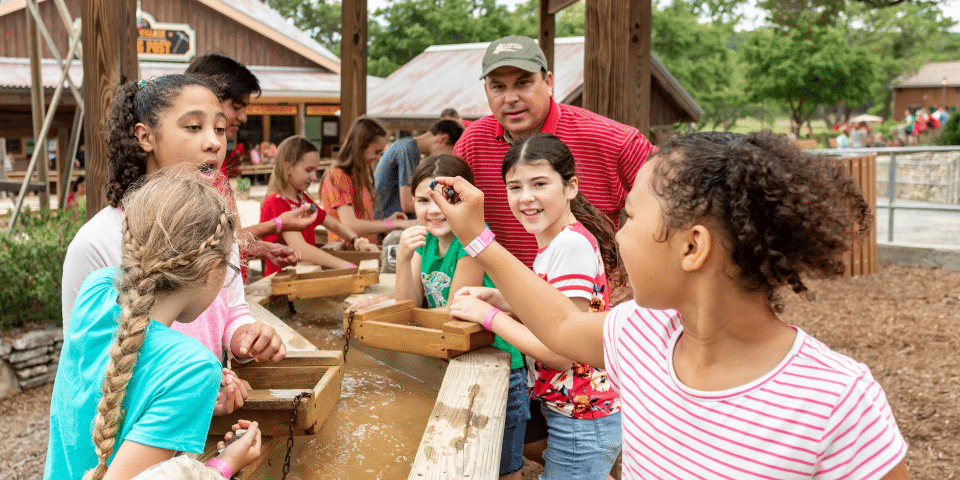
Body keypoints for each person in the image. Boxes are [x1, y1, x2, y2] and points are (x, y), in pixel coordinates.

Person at [436, 131, 909, 479]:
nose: (616, 233)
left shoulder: (836, 399)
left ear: (692, 248)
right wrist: (476, 237)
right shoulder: (640, 333)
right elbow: (560, 323)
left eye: (632, 216)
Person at [61, 75, 287, 416]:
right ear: (145, 136)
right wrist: (188, 394)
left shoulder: (217, 228)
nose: (214, 142)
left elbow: (231, 309)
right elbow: (85, 368)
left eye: (220, 129)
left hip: (204, 430)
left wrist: (245, 338)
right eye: (194, 127)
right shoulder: (97, 242)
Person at [45, 174, 263, 480]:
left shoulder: (95, 291)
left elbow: (110, 392)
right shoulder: (194, 368)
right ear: (212, 271)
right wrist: (224, 464)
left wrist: (193, 407)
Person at [449, 134, 622, 479]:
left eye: (539, 184)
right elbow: (554, 312)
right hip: (578, 412)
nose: (526, 198)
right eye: (515, 187)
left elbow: (559, 350)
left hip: (582, 417)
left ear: (570, 187)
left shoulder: (569, 246)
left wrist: (490, 316)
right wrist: (502, 299)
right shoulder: (559, 241)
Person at [454, 34, 655, 268]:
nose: (510, 98)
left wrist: (634, 277)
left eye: (523, 83)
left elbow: (676, 201)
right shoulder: (472, 144)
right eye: (498, 87)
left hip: (591, 299)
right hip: (501, 296)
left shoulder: (611, 140)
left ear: (548, 82)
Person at [393, 153, 527, 479]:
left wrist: (405, 316)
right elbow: (406, 302)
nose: (435, 210)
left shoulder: (472, 243)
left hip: (499, 365)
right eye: (424, 200)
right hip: (461, 360)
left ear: (463, 200)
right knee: (467, 460)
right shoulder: (423, 243)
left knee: (503, 465)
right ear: (412, 202)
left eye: (446, 199)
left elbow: (455, 310)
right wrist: (402, 257)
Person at [185, 53, 309, 279]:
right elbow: (202, 249)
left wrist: (263, 249)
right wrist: (278, 224)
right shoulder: (186, 164)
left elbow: (226, 241)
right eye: (236, 106)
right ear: (205, 98)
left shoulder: (215, 159)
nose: (243, 117)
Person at [260, 135, 379, 276]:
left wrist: (357, 241)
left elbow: (334, 225)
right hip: (282, 284)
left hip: (301, 277)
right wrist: (347, 265)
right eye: (308, 170)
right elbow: (300, 248)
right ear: (288, 168)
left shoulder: (302, 199)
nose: (314, 177)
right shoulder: (276, 202)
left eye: (315, 170)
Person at [320, 116, 416, 243]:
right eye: (377, 151)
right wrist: (394, 224)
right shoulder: (338, 176)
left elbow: (362, 222)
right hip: (348, 251)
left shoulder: (357, 175)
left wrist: (386, 222)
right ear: (361, 146)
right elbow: (350, 225)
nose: (377, 157)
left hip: (364, 249)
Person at [373, 119, 464, 219]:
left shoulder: (406, 146)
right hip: (390, 221)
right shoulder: (408, 150)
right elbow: (407, 204)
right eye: (451, 151)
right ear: (443, 139)